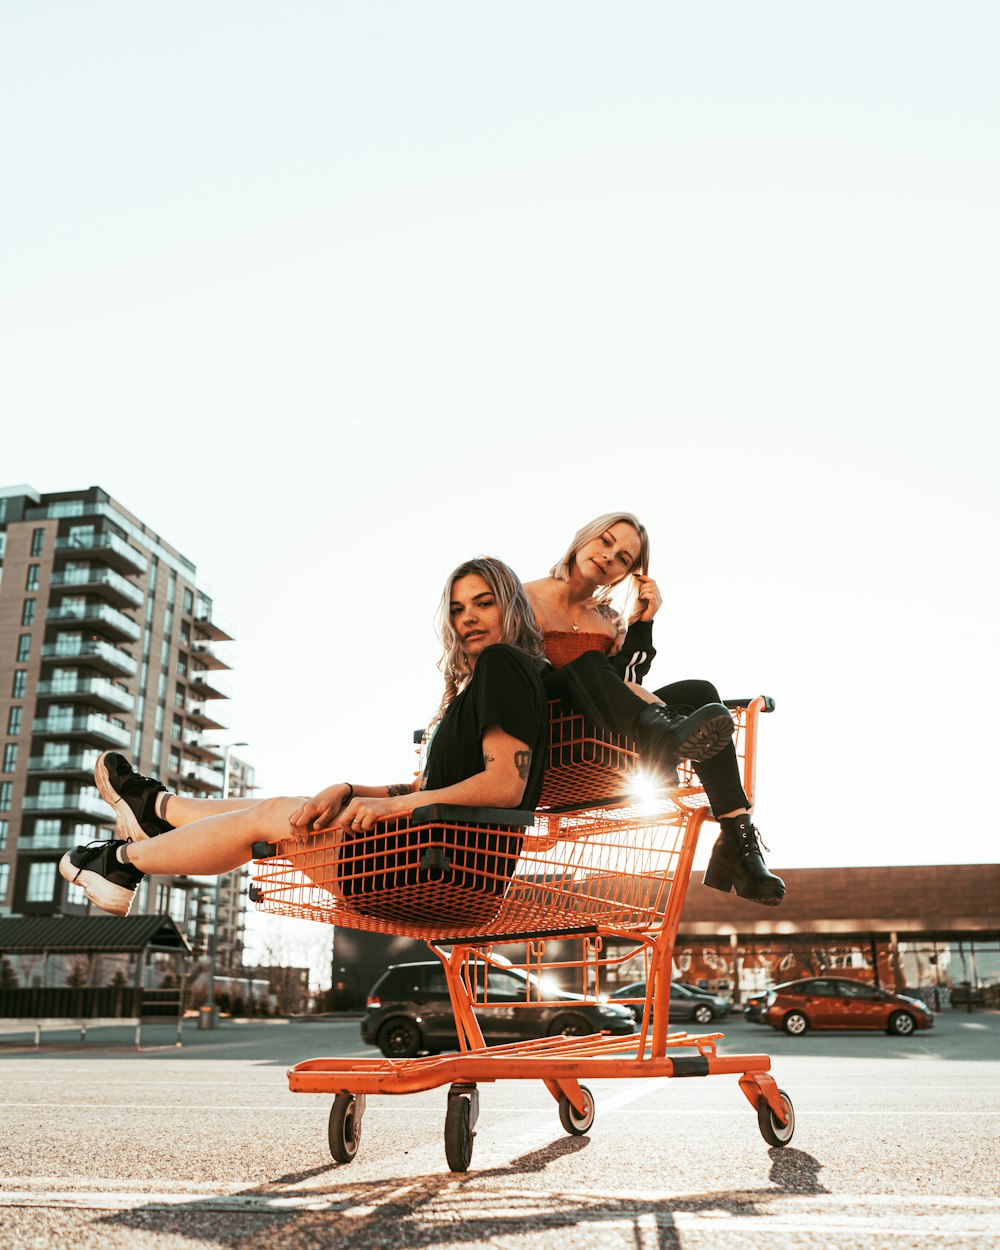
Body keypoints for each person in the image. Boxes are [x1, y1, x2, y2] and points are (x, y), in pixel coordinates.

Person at [60, 557, 549, 917]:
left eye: (484, 604)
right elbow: (429, 788)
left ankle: (124, 859)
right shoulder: (486, 683)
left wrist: (389, 808)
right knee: (290, 807)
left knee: (276, 818)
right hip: (437, 866)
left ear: (511, 607)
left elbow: (504, 786)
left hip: (440, 873)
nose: (468, 618)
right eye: (459, 607)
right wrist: (355, 791)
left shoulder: (503, 666)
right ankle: (156, 811)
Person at [524, 512, 785, 907]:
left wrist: (642, 624)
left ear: (627, 575)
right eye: (606, 541)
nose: (610, 556)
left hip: (592, 738)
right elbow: (506, 676)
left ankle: (737, 837)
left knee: (701, 691)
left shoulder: (609, 622)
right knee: (590, 667)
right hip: (545, 731)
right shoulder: (522, 598)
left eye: (625, 558)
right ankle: (666, 738)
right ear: (583, 540)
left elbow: (625, 687)